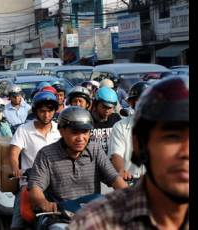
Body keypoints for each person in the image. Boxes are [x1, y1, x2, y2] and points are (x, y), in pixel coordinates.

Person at [68, 76, 189, 229]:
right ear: (139, 144)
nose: (186, 152)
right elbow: (116, 154)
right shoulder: (98, 221)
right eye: (172, 138)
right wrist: (121, 171)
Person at [28, 106, 128, 218]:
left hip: (92, 215)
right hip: (60, 216)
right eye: (75, 132)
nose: (80, 138)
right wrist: (44, 203)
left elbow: (114, 178)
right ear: (61, 131)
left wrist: (131, 198)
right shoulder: (46, 154)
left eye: (85, 132)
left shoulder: (95, 150)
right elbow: (35, 187)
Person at [9, 91, 61, 230]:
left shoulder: (60, 129)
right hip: (29, 183)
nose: (46, 115)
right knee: (17, 225)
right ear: (36, 111)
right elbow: (14, 153)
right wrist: (15, 169)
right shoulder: (24, 130)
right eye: (42, 111)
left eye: (50, 111)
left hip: (57, 184)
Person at [108, 81, 149, 181]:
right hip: (131, 181)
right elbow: (116, 154)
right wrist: (121, 170)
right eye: (142, 100)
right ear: (132, 102)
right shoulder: (120, 127)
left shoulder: (161, 126)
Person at [90, 86, 121, 155]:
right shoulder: (87, 119)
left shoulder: (116, 119)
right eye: (104, 107)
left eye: (110, 108)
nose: (107, 111)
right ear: (96, 104)